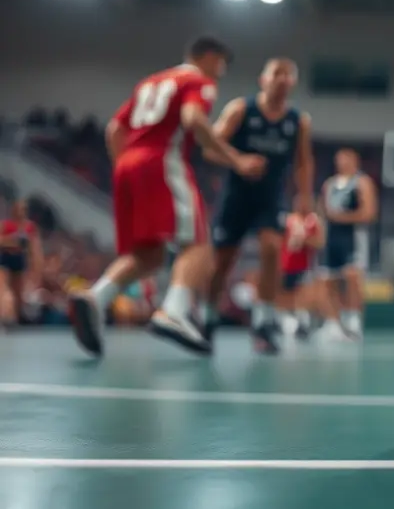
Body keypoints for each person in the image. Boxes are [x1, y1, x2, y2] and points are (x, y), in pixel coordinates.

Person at [68, 37, 266, 358]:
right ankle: (174, 311)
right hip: (162, 159)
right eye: (221, 65)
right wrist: (237, 159)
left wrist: (128, 169)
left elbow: (114, 130)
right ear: (210, 57)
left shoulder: (151, 81)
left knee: (151, 255)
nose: (220, 74)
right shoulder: (197, 81)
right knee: (199, 244)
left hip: (128, 164)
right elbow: (192, 120)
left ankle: (96, 298)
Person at [204, 58, 313, 354]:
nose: (283, 79)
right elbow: (209, 147)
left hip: (271, 196)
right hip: (237, 196)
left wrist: (304, 197)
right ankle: (208, 317)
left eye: (289, 75)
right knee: (222, 263)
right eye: (277, 73)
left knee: (272, 249)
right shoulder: (241, 109)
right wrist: (238, 161)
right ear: (263, 79)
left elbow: (303, 163)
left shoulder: (297, 121)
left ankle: (264, 322)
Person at [318, 149, 377, 339]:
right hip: (332, 238)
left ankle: (353, 320)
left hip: (353, 237)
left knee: (352, 278)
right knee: (328, 280)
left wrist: (340, 217)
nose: (342, 163)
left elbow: (368, 213)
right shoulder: (329, 184)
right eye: (339, 160)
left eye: (345, 159)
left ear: (354, 161)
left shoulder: (362, 182)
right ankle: (333, 323)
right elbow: (322, 211)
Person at [279, 197, 329, 340]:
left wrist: (303, 240)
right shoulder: (287, 220)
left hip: (304, 265)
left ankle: (304, 321)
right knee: (284, 292)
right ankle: (285, 320)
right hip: (285, 264)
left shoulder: (313, 221)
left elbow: (320, 242)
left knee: (305, 293)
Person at [0, 199, 42, 326]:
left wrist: (36, 270)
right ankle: (5, 316)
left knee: (18, 293)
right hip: (6, 257)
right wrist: (13, 240)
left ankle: (17, 320)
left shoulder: (30, 227)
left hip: (20, 260)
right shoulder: (6, 225)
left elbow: (35, 249)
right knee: (4, 289)